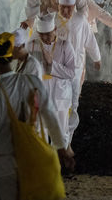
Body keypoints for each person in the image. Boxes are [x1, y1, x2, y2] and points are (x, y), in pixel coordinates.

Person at [0, 31, 74, 200]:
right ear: (11, 58)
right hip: (32, 161)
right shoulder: (32, 82)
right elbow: (51, 117)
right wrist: (62, 148)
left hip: (0, 169)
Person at [56, 0, 101, 149]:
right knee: (58, 104)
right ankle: (58, 139)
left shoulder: (81, 20)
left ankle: (68, 141)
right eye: (63, 7)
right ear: (58, 5)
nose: (66, 10)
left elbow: (90, 40)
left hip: (75, 69)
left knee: (73, 103)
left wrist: (97, 58)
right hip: (56, 71)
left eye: (69, 7)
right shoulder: (52, 20)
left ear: (74, 6)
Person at [27, 13, 76, 148]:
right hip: (40, 95)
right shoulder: (31, 46)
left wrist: (51, 64)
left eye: (48, 34)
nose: (44, 37)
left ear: (55, 30)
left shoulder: (65, 45)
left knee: (61, 132)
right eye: (41, 34)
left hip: (60, 95)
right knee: (39, 131)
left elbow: (71, 72)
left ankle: (62, 162)